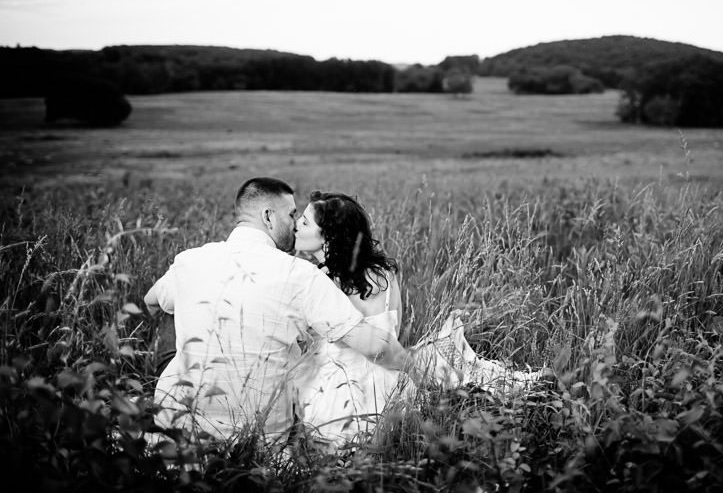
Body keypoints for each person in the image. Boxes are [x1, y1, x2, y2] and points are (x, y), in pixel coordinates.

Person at [143, 178, 448, 448]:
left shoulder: (190, 261)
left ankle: (178, 385)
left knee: (175, 309)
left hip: (178, 423)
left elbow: (151, 301)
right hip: (258, 434)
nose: (295, 222)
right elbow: (375, 344)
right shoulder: (299, 274)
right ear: (267, 216)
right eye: (291, 214)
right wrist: (416, 368)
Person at [293, 191, 542, 449]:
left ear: (328, 238)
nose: (296, 224)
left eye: (304, 222)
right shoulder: (383, 274)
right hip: (389, 382)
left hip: (340, 392)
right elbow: (394, 329)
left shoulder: (319, 282)